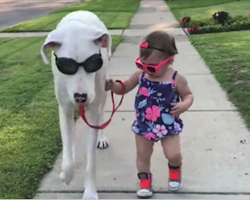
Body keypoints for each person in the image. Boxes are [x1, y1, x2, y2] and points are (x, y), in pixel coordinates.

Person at [105, 30, 194, 198]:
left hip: (168, 124)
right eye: (141, 64)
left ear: (170, 60)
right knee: (142, 156)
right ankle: (145, 182)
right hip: (144, 125)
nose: (146, 70)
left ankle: (175, 169)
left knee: (173, 154)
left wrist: (183, 105)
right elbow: (123, 87)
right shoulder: (141, 76)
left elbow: (188, 95)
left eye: (151, 66)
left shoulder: (176, 79)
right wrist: (113, 86)